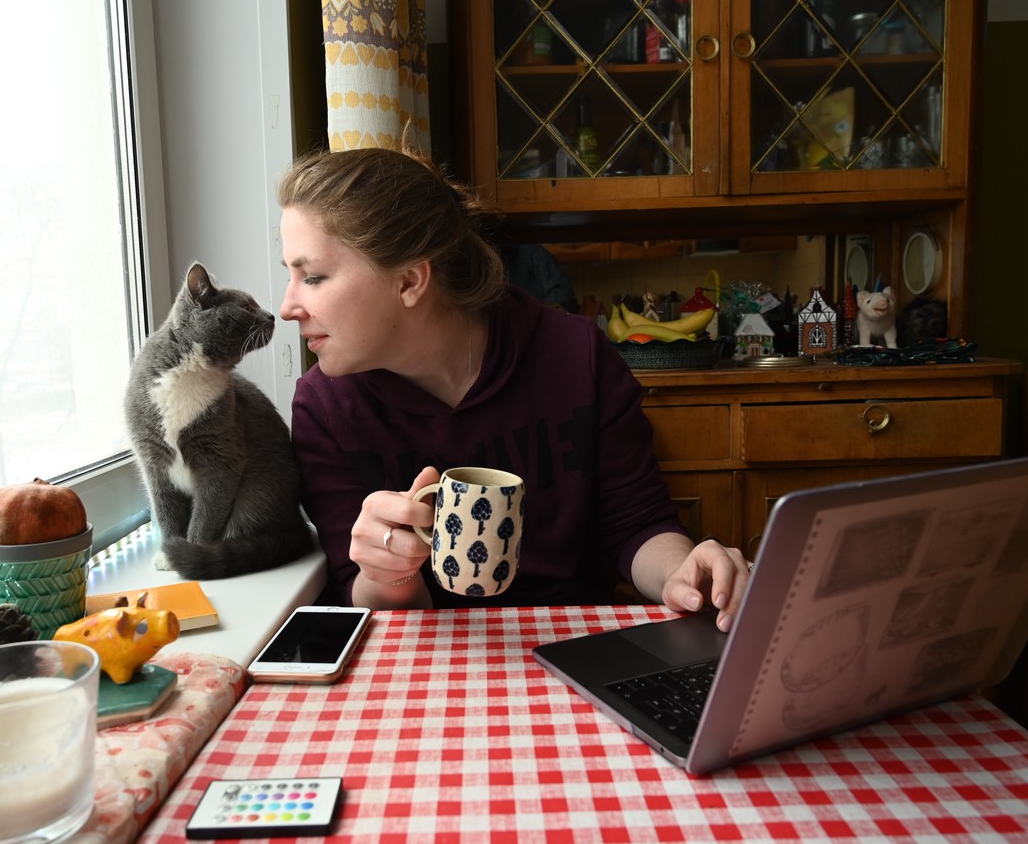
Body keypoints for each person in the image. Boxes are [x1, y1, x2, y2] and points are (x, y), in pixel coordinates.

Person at [277, 145, 751, 631]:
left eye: (311, 276)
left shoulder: (575, 356)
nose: (288, 306)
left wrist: (682, 573)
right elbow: (363, 599)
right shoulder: (324, 407)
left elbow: (638, 524)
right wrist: (388, 573)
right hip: (430, 655)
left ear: (409, 281)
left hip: (577, 645)